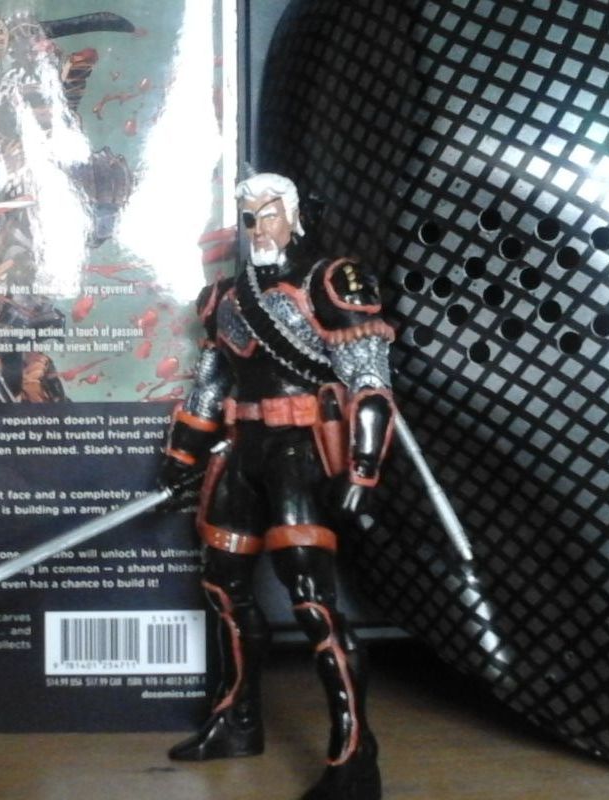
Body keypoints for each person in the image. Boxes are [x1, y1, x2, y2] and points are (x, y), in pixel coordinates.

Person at [160, 172, 394, 800]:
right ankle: (236, 723)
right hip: (242, 449)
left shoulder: (330, 282)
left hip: (300, 452)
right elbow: (213, 379)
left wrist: (363, 468)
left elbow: (369, 381)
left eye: (269, 213)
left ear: (293, 216)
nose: (259, 227)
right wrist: (181, 453)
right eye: (249, 217)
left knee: (312, 600)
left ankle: (354, 753)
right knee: (222, 585)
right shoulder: (223, 297)